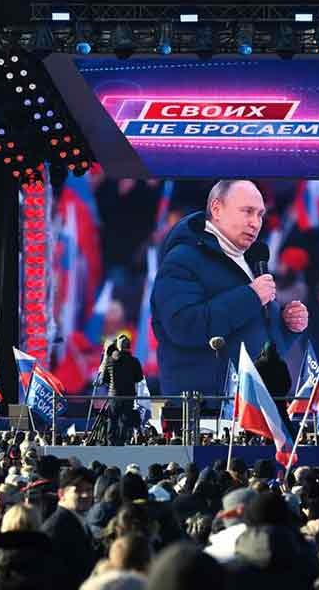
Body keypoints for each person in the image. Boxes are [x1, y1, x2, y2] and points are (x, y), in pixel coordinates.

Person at [151, 179, 308, 395]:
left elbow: (264, 348)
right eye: (247, 211)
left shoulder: (252, 263)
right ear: (216, 209)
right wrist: (251, 297)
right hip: (202, 412)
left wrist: (286, 326)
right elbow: (184, 326)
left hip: (254, 406)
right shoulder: (182, 259)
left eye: (260, 214)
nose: (255, 222)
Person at [41, 467, 97, 590]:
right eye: (78, 490)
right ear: (61, 494)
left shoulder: (78, 521)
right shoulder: (55, 528)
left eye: (89, 490)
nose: (86, 495)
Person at [102, 335, 144, 446]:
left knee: (112, 419)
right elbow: (139, 378)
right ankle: (121, 443)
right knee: (124, 420)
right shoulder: (134, 361)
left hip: (113, 396)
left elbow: (104, 379)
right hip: (128, 396)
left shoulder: (110, 360)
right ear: (129, 346)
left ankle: (111, 442)